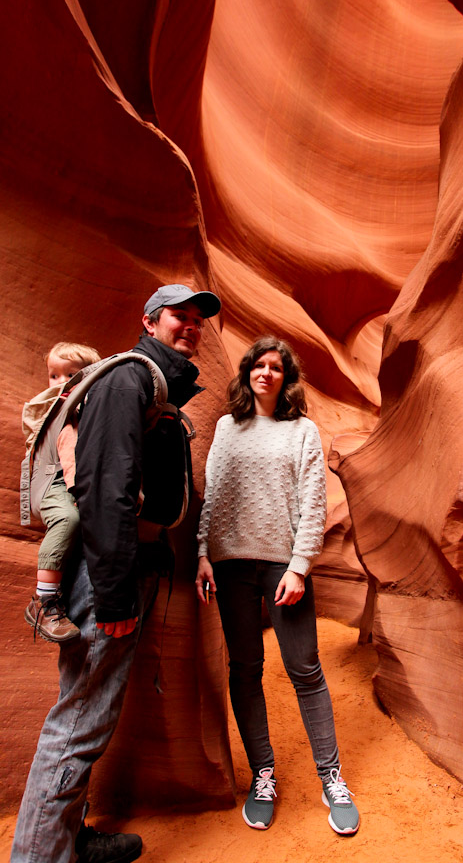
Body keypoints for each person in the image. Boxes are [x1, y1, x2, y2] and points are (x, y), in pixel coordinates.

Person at [12, 283, 221, 863]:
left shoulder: (152, 386)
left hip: (124, 567)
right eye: (179, 317)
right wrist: (115, 598)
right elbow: (104, 490)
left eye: (197, 320)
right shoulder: (127, 379)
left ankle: (68, 838)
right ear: (150, 322)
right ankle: (38, 856)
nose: (191, 327)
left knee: (83, 711)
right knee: (79, 723)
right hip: (108, 579)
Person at [195, 335, 360, 837]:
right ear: (247, 374)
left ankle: (331, 777)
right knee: (244, 669)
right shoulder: (227, 427)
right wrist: (202, 552)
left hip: (281, 566)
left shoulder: (303, 431)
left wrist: (300, 566)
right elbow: (214, 493)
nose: (265, 373)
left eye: (275, 367)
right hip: (229, 564)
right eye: (258, 365)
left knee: (305, 668)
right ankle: (262, 774)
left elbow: (314, 501)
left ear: (286, 378)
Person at [24, 341, 101, 644]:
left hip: (68, 481)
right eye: (54, 376)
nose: (61, 382)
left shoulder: (86, 410)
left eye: (71, 375)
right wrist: (80, 492)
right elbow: (69, 459)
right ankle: (43, 602)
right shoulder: (61, 414)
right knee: (69, 519)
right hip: (56, 484)